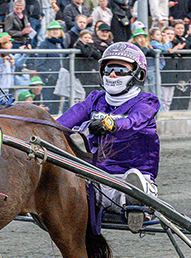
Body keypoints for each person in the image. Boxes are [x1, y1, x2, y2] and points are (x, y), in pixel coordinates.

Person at [57, 41, 160, 213]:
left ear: (138, 74)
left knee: (132, 183)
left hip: (134, 177)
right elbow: (62, 124)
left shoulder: (147, 102)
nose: (112, 75)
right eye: (108, 69)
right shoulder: (95, 99)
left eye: (119, 70)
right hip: (98, 177)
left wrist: (110, 123)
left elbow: (133, 121)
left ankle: (138, 201)